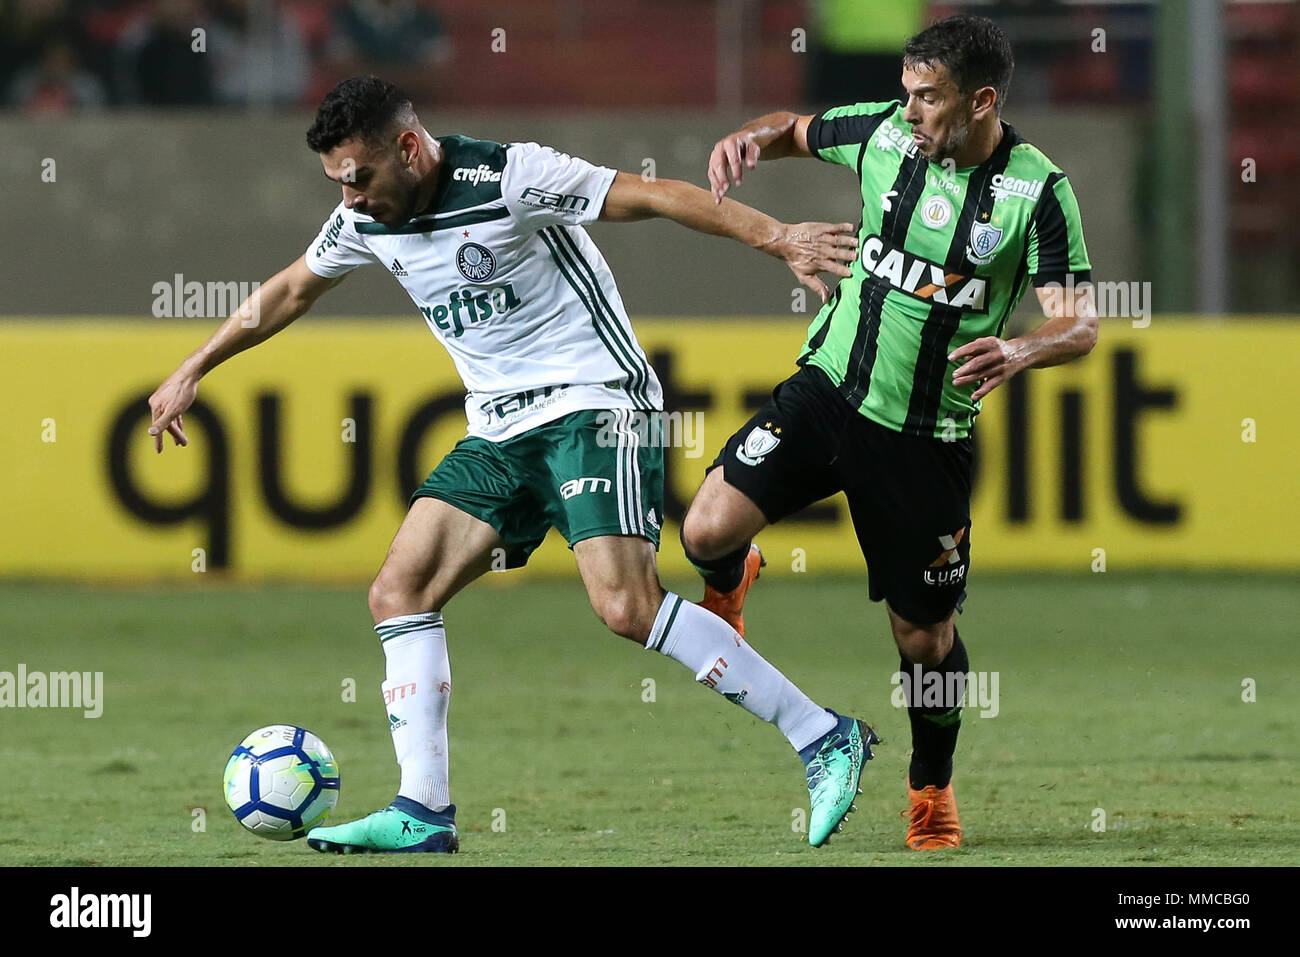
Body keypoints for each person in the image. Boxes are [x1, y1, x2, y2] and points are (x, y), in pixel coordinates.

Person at [147, 75, 873, 854]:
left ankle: (824, 734)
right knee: (399, 589)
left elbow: (655, 194)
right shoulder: (363, 219)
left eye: (357, 176)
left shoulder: (512, 176)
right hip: (498, 430)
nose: (349, 197)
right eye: (336, 183)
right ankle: (423, 809)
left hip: (594, 402)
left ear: (410, 146)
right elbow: (292, 288)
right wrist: (195, 365)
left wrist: (778, 236)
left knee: (626, 608)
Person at [685, 14, 1098, 850]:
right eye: (906, 93)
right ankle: (734, 575)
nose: (908, 110)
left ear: (981, 101)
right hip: (829, 391)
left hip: (927, 439)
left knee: (924, 636)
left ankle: (930, 786)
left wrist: (1020, 347)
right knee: (703, 528)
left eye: (927, 97)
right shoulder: (882, 133)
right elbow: (792, 128)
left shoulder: (1038, 192)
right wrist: (746, 138)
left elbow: (1081, 325)